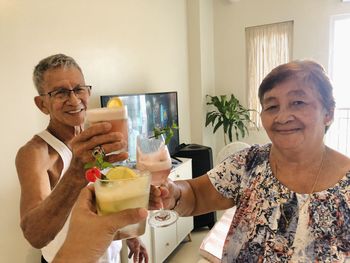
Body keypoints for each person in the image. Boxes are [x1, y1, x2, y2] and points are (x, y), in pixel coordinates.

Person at [150, 60, 350, 262]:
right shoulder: (249, 163)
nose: (282, 117)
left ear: (329, 113)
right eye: (271, 106)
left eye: (298, 102)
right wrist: (173, 193)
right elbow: (195, 194)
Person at [16, 54, 148, 262]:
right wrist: (77, 172)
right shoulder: (35, 152)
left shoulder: (94, 139)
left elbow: (104, 200)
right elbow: (35, 234)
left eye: (79, 89)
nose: (75, 100)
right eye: (60, 93)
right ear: (42, 104)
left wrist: (129, 234)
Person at [52, 185, 148, 263]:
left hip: (110, 256)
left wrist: (129, 232)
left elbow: (108, 202)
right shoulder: (45, 163)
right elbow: (38, 236)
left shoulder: (97, 163)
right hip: (65, 257)